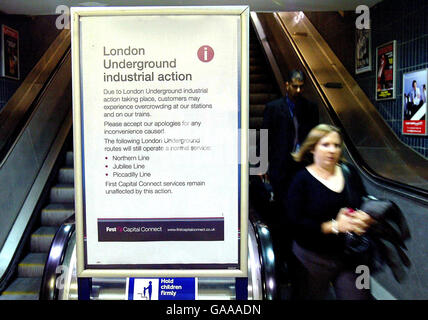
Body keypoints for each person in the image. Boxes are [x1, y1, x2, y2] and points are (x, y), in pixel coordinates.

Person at [286, 124, 375, 300]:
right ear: (312, 148)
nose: (332, 150)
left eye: (336, 145)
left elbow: (363, 202)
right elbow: (294, 224)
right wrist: (334, 226)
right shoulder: (301, 180)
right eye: (325, 145)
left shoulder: (350, 173)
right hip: (312, 258)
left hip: (352, 256)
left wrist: (365, 218)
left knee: (359, 297)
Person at [262, 69, 319, 207]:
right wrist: (259, 165)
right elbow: (263, 136)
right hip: (280, 163)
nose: (298, 90)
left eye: (301, 86)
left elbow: (315, 136)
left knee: (301, 201)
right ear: (287, 85)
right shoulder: (273, 107)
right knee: (281, 202)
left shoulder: (310, 107)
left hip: (303, 162)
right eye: (295, 86)